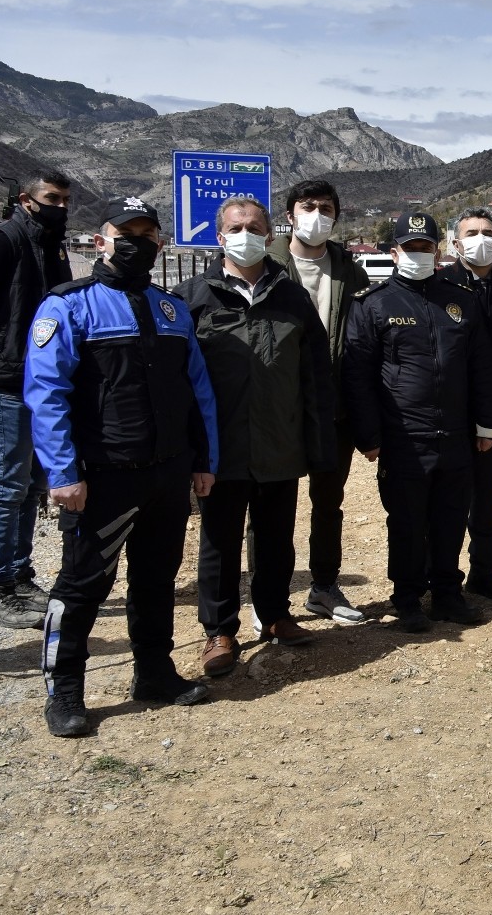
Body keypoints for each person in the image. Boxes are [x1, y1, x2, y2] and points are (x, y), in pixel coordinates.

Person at [25, 196, 220, 737]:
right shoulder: (68, 307)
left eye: (148, 233)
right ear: (102, 239)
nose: (139, 242)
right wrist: (63, 474)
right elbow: (46, 396)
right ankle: (65, 690)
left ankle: (154, 673)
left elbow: (197, 391)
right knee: (83, 585)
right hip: (104, 476)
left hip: (167, 472)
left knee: (157, 580)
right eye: (126, 232)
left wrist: (204, 461)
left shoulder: (172, 309)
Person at [177, 197, 334, 678]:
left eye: (254, 226)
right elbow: (179, 382)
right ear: (219, 236)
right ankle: (220, 629)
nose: (245, 234)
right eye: (235, 226)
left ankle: (274, 615)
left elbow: (315, 376)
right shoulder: (193, 297)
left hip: (279, 443)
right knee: (220, 541)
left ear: (270, 236)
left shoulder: (292, 297)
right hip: (220, 448)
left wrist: (317, 443)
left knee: (275, 538)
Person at [343, 212, 492, 632]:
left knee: (451, 518)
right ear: (393, 252)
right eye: (410, 248)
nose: (419, 254)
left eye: (425, 247)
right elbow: (357, 375)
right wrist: (370, 436)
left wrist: (488, 424)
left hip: (456, 433)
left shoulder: (460, 300)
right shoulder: (373, 304)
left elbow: (482, 367)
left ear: (438, 250)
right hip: (403, 439)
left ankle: (448, 593)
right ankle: (408, 597)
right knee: (408, 522)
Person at [266, 179, 370, 625]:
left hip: (334, 408)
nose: (317, 215)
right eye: (307, 206)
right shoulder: (266, 265)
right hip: (278, 407)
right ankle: (268, 599)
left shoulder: (349, 269)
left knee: (329, 502)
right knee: (272, 509)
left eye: (326, 208)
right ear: (290, 214)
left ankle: (324, 587)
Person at [0, 170, 73, 629]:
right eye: (52, 198)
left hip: (44, 386)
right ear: (26, 200)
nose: (60, 206)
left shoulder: (50, 246)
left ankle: (19, 577)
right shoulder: (2, 243)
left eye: (65, 199)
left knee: (34, 488)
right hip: (5, 384)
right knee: (8, 487)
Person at [438, 208, 492, 603]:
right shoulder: (439, 286)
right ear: (456, 243)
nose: (481, 239)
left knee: (486, 501)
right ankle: (440, 578)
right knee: (446, 500)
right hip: (449, 414)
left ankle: (483, 572)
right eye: (471, 232)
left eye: (488, 232)